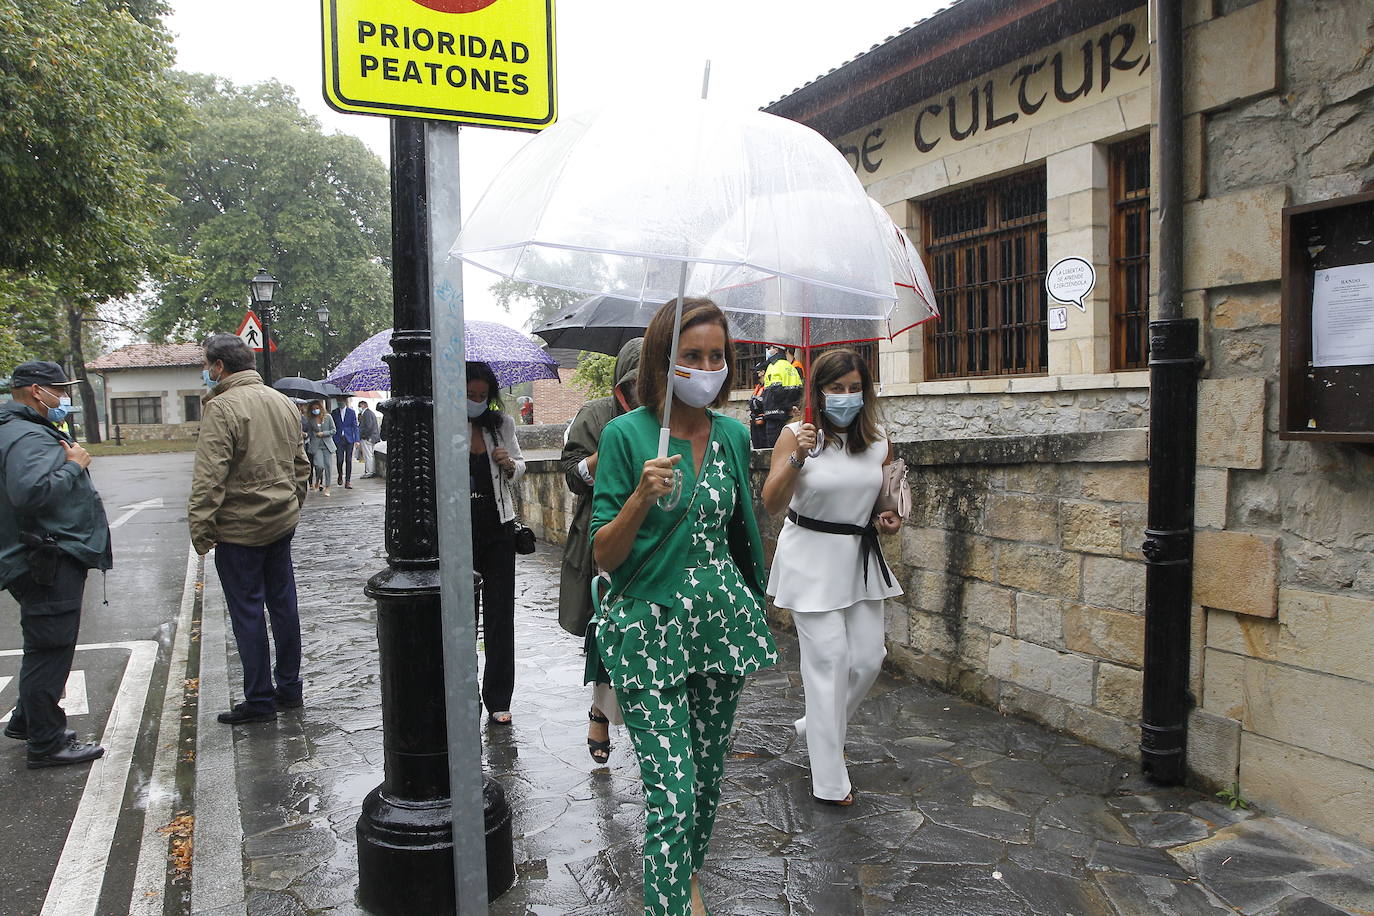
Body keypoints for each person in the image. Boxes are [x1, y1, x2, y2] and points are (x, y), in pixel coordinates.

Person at [590, 298, 777, 916]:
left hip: (719, 628)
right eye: (691, 356)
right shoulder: (626, 435)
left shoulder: (732, 434)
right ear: (662, 362)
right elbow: (604, 555)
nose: (706, 367)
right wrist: (641, 496)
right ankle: (670, 902)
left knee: (705, 786)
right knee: (672, 793)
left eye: (716, 356)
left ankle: (682, 879)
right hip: (650, 630)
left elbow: (739, 527)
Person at [761, 348, 903, 806]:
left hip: (859, 558)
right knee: (827, 664)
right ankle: (830, 781)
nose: (845, 397)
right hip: (809, 558)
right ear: (817, 393)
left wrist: (889, 514)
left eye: (853, 388)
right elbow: (771, 502)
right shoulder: (795, 436)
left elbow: (886, 495)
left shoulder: (879, 439)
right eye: (835, 389)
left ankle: (816, 725)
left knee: (867, 659)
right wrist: (798, 458)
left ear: (865, 391)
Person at [189, 334, 312, 724]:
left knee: (247, 613)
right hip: (281, 521)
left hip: (240, 529)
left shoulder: (222, 408)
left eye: (208, 365)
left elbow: (210, 477)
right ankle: (290, 689)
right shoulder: (282, 402)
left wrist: (201, 528)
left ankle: (259, 699)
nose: (207, 372)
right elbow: (300, 464)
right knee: (283, 605)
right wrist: (293, 503)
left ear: (219, 367)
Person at [0, 361, 109, 768]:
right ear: (34, 391)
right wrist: (73, 466)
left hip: (37, 552)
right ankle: (46, 743)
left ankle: (27, 721)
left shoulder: (18, 428)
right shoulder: (26, 435)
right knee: (50, 648)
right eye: (58, 391)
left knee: (44, 642)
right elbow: (30, 494)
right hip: (46, 556)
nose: (63, 398)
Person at [558, 337, 641, 765]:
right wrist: (601, 455)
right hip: (605, 538)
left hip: (653, 544)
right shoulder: (595, 416)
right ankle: (600, 714)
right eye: (635, 384)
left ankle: (647, 724)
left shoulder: (671, 419)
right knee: (609, 635)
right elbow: (571, 472)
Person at [467, 361, 526, 726]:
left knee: (500, 616)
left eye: (481, 395)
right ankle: (464, 693)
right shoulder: (442, 425)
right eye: (469, 395)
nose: (475, 401)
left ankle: (499, 697)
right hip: (459, 532)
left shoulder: (501, 424)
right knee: (463, 618)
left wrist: (508, 464)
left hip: (498, 528)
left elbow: (521, 467)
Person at [760, 345, 803, 449]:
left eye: (770, 348)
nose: (769, 351)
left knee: (774, 450)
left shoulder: (773, 366)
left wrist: (787, 407)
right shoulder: (791, 368)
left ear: (776, 349)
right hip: (789, 416)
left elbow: (775, 392)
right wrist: (791, 408)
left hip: (774, 415)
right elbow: (800, 391)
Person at [303, 400, 336, 496]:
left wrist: (324, 433)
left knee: (328, 466)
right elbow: (309, 433)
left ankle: (328, 487)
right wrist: (304, 434)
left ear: (321, 408)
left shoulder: (328, 417)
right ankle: (317, 481)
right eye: (313, 409)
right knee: (319, 465)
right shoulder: (311, 420)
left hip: (327, 445)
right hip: (316, 446)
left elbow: (333, 430)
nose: (315, 410)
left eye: (317, 408)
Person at [331, 397, 359, 490]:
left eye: (342, 401)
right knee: (339, 460)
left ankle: (348, 481)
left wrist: (357, 440)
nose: (340, 402)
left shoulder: (351, 412)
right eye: (338, 401)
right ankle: (340, 474)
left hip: (349, 439)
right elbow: (333, 426)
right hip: (338, 439)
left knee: (348, 460)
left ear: (345, 402)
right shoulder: (334, 412)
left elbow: (355, 426)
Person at [357, 400, 381, 478]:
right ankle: (370, 470)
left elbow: (368, 426)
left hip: (368, 438)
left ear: (364, 405)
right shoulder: (368, 413)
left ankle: (369, 471)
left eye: (359, 406)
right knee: (370, 454)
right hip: (371, 437)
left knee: (368, 455)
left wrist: (364, 436)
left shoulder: (367, 414)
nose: (359, 408)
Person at [747, 365, 767, 450]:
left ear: (763, 372)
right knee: (756, 447)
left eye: (757, 372)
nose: (755, 374)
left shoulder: (767, 386)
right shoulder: (758, 387)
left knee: (763, 447)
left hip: (762, 422)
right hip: (755, 421)